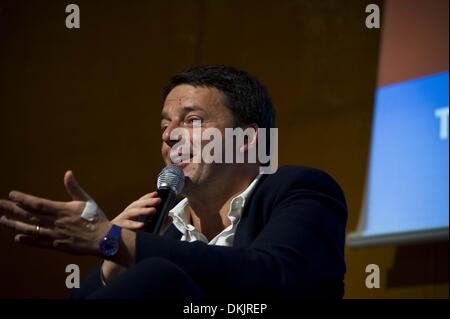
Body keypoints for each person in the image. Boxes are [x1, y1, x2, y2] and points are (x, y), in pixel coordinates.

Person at [0, 65, 347, 299]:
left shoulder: (299, 189)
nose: (169, 136)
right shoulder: (163, 231)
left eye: (192, 120)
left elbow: (276, 278)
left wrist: (118, 243)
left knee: (157, 274)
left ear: (247, 140)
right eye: (164, 126)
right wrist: (110, 264)